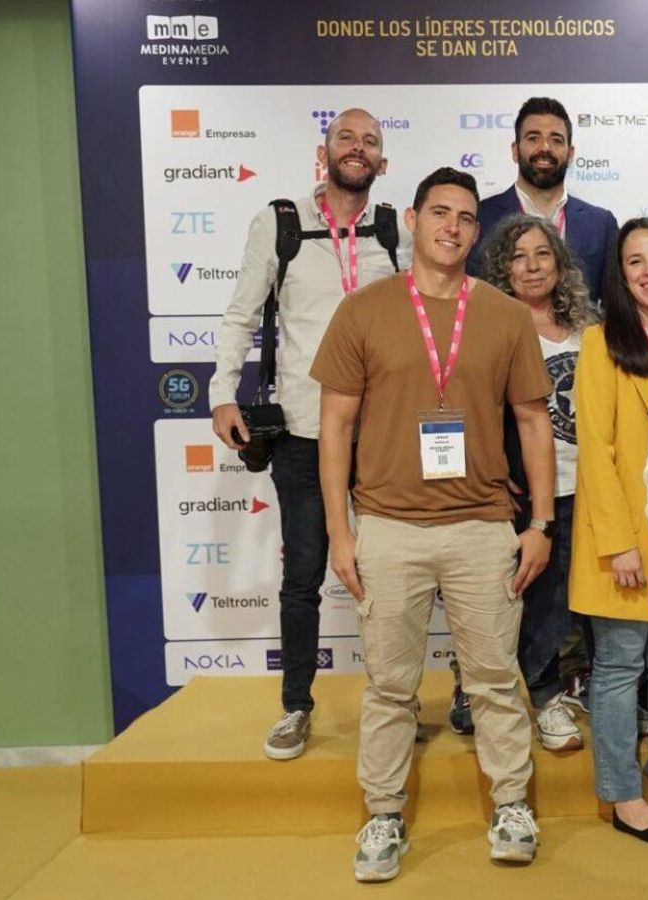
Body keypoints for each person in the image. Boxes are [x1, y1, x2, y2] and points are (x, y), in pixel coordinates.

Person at [310, 167, 553, 878]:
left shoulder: (506, 316)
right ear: (412, 219)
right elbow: (335, 429)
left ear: (478, 233)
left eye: (467, 218)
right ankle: (383, 814)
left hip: (483, 525)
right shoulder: (363, 310)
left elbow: (534, 423)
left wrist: (539, 521)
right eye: (439, 213)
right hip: (387, 526)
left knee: (493, 680)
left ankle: (512, 802)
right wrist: (339, 530)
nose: (452, 226)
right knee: (389, 685)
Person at [206, 108, 406, 761]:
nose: (358, 148)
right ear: (325, 153)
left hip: (382, 435)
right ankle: (296, 706)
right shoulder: (281, 222)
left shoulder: (393, 229)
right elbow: (240, 315)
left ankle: (394, 701)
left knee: (396, 572)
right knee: (304, 577)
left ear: (381, 161)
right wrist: (220, 395)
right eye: (346, 138)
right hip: (302, 430)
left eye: (369, 141)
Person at [571, 218, 648, 841]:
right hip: (626, 541)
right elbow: (595, 449)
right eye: (634, 262)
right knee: (621, 667)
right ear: (620, 276)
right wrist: (618, 541)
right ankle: (622, 793)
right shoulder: (601, 342)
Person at [453, 215, 597, 754]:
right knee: (516, 597)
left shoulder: (590, 326)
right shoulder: (488, 326)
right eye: (518, 256)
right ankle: (504, 691)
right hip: (521, 487)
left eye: (543, 254)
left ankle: (555, 691)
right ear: (500, 268)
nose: (532, 266)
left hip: (585, 486)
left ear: (561, 265)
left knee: (562, 605)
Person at [467, 96, 618, 299]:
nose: (545, 147)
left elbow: (614, 307)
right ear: (515, 150)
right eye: (533, 138)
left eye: (556, 140)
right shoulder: (481, 218)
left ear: (571, 153)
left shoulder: (601, 225)